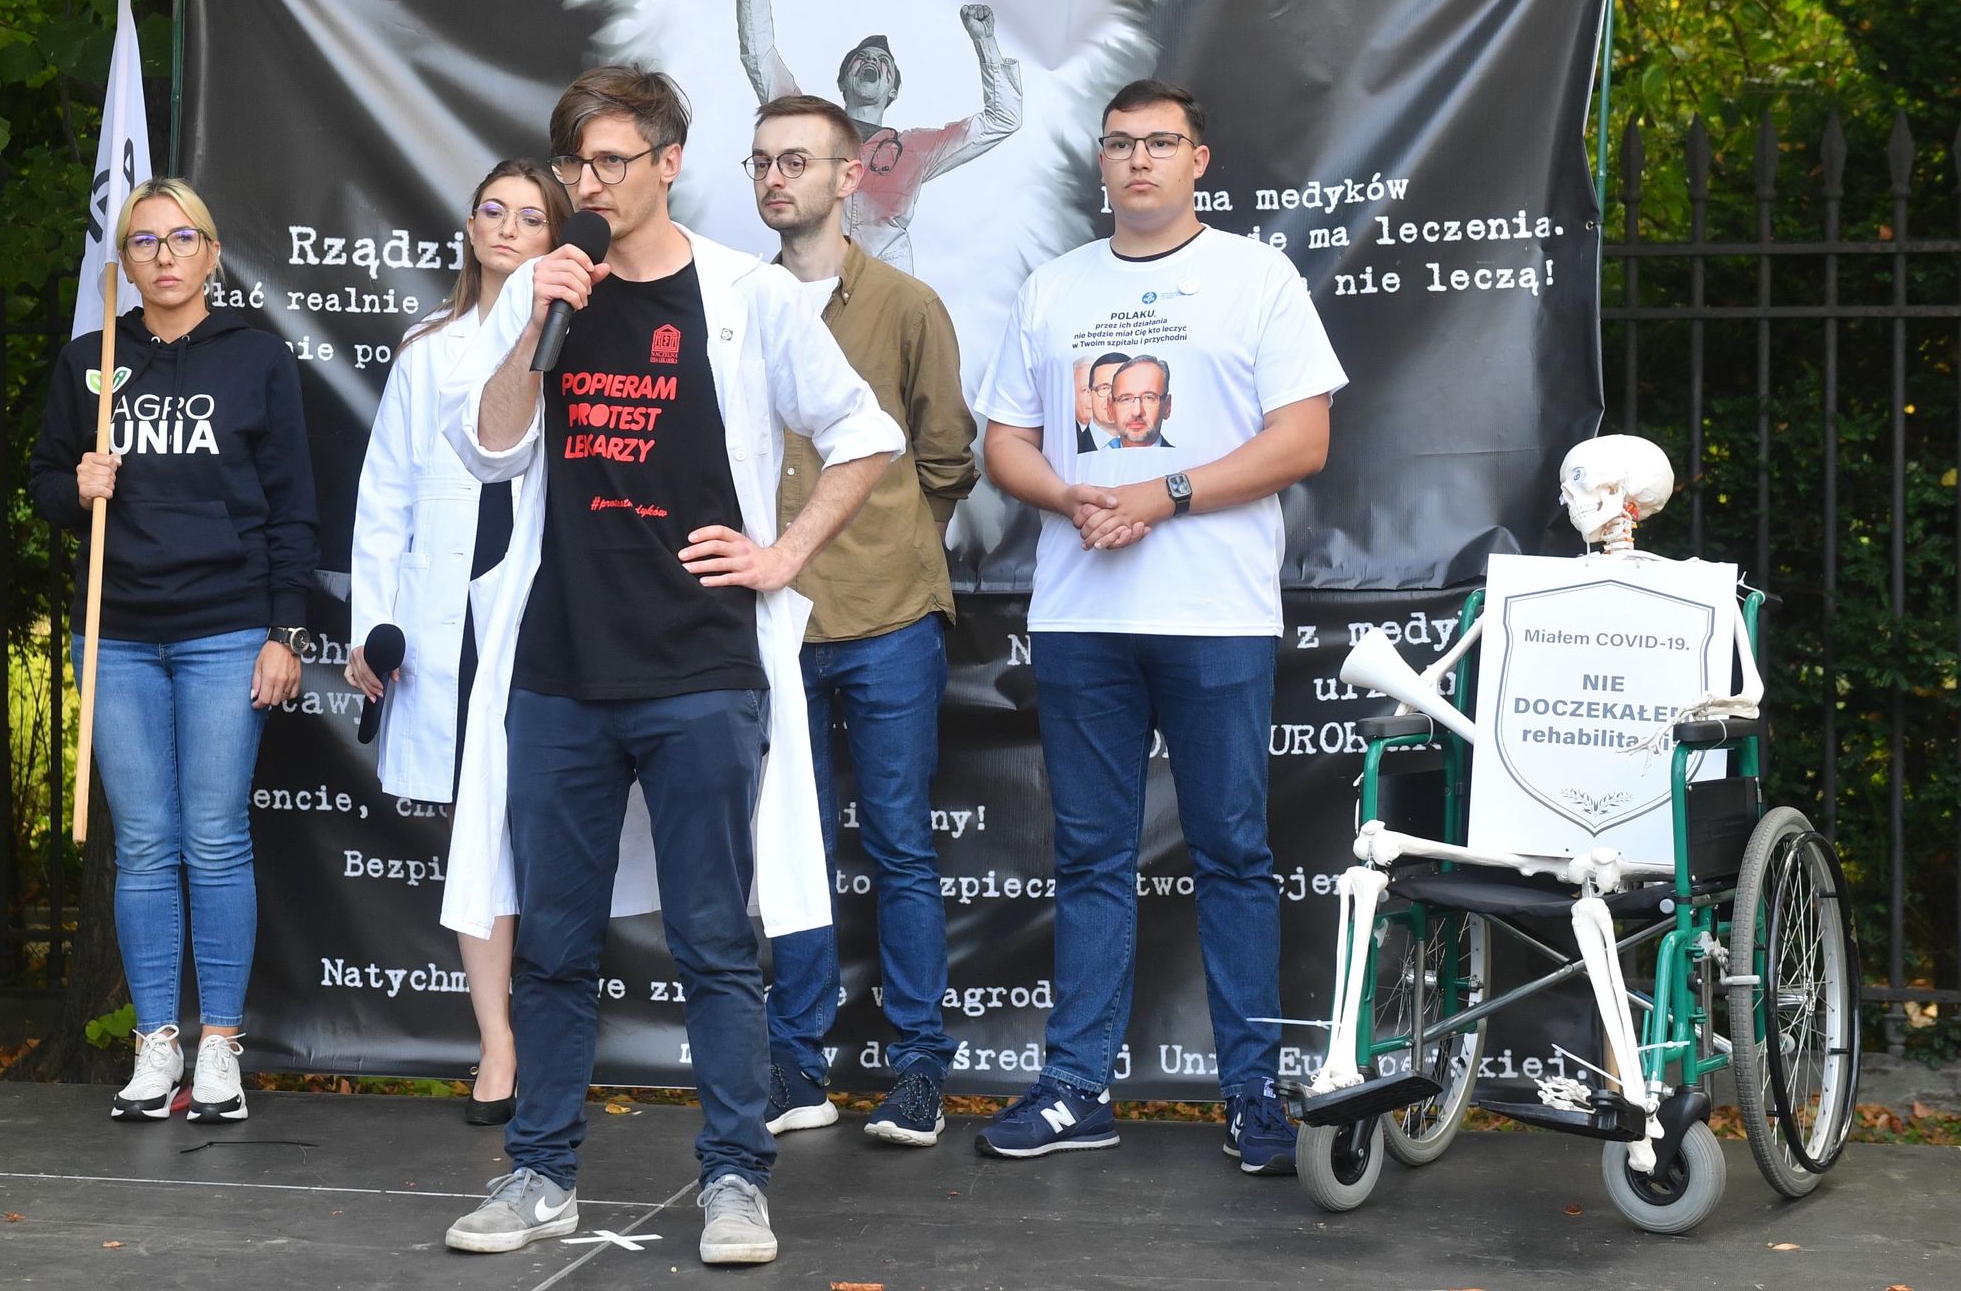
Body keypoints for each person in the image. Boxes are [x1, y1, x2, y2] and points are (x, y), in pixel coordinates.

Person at [437, 66, 903, 1266]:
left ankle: (735, 1181)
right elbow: (491, 451)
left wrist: (783, 552)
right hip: (559, 667)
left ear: (668, 162)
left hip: (701, 665)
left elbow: (866, 434)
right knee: (552, 935)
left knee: (711, 934)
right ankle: (539, 1173)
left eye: (610, 164)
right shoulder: (549, 293)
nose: (589, 188)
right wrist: (536, 322)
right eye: (574, 169)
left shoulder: (747, 294)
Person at [970, 80, 1346, 1172]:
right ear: (1101, 162)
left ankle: (1252, 1098)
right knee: (1091, 855)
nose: (1140, 159)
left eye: (1161, 143)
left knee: (1232, 853)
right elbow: (1006, 441)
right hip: (1083, 616)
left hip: (1215, 615)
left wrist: (1162, 493)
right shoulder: (1055, 287)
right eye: (1121, 142)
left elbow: (1302, 440)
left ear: (1200, 159)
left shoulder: (1255, 277)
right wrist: (1071, 496)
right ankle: (1075, 1089)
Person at [28, 176, 318, 1124]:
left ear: (211, 251)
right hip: (116, 632)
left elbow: (292, 506)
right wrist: (77, 484)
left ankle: (221, 1047)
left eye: (181, 237)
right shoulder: (89, 362)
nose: (163, 255)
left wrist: (284, 631)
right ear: (125, 260)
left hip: (226, 627)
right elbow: (39, 494)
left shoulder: (256, 360)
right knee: (144, 846)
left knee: (215, 837)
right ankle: (157, 1044)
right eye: (144, 241)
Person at [742, 94, 978, 1147]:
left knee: (899, 845)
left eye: (796, 160)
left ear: (850, 177)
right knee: (787, 850)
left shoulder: (909, 305)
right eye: (760, 161)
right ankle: (795, 1069)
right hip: (771, 623)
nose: (773, 178)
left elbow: (943, 459)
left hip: (887, 617)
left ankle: (920, 1069)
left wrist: (884, 538)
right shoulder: (730, 305)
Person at [345, 159, 567, 1126]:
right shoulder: (427, 350)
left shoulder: (577, 334)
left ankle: (554, 1035)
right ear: (470, 226)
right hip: (449, 618)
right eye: (493, 210)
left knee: (555, 828)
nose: (507, 228)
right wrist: (371, 625)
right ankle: (499, 1045)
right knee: (477, 835)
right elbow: (382, 500)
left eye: (530, 216)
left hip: (550, 608)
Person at [733, 0, 1022, 273]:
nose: (871, 62)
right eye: (860, 58)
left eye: (883, 62)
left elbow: (1003, 119)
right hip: (815, 282)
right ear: (842, 82)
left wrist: (985, 42)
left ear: (893, 91)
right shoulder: (810, 127)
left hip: (889, 291)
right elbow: (759, 56)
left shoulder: (917, 150)